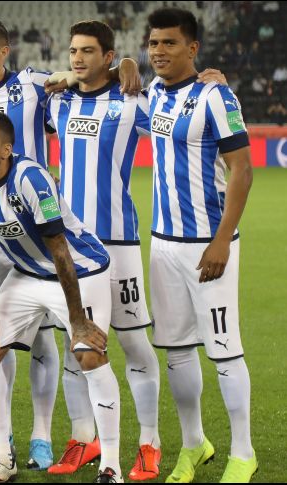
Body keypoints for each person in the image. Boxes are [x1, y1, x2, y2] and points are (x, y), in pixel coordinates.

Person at [0, 110, 123, 483]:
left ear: (5, 150)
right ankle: (3, 463)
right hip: (29, 273)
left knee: (88, 354)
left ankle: (110, 467)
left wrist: (78, 323)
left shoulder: (31, 179)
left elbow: (61, 252)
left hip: (82, 271)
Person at [45, 20, 161, 481]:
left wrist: (137, 67)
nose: (78, 58)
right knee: (77, 344)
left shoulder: (133, 101)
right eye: (73, 50)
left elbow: (174, 107)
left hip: (119, 243)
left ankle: (149, 442)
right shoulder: (58, 102)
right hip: (69, 246)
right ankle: (83, 437)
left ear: (108, 56)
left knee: (133, 342)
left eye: (89, 51)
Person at [146, 8, 256, 482]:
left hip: (208, 247)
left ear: (192, 48)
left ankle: (244, 452)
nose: (158, 53)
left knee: (225, 351)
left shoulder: (216, 96)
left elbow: (242, 171)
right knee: (176, 350)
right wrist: (124, 68)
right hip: (162, 244)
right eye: (152, 44)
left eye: (169, 44)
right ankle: (195, 444)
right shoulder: (150, 92)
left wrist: (221, 242)